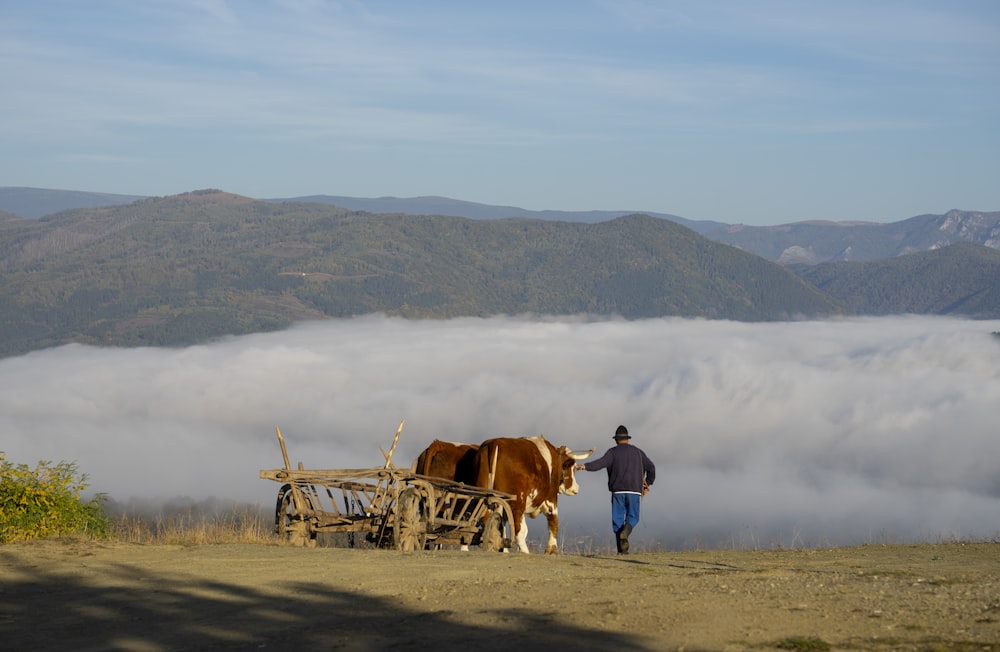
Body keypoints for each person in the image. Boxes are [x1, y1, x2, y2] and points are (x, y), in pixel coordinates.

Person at [575, 425, 655, 554]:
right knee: (633, 517)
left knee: (617, 520)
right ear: (627, 439)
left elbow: (600, 463)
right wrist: (648, 484)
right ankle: (626, 532)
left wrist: (584, 466)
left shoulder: (612, 452)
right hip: (634, 491)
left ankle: (621, 551)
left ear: (616, 440)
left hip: (617, 492)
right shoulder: (639, 453)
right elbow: (651, 468)